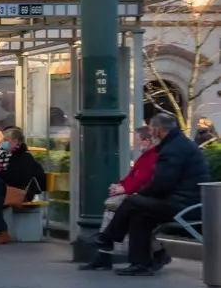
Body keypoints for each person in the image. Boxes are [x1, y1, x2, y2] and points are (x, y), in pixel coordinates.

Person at [84, 108, 207, 275]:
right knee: (139, 213)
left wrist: (139, 194)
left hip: (184, 203)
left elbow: (162, 183)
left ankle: (107, 239)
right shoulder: (178, 143)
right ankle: (140, 264)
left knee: (132, 202)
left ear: (157, 129)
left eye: (150, 129)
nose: (150, 133)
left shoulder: (171, 149)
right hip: (186, 200)